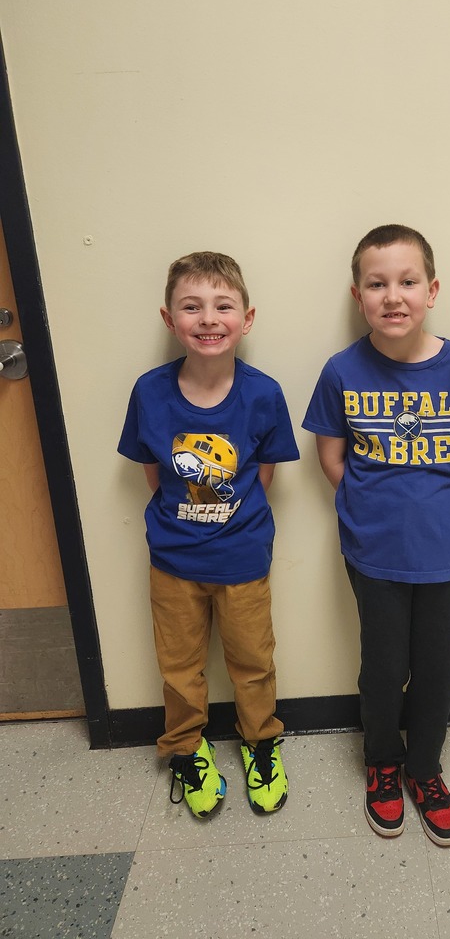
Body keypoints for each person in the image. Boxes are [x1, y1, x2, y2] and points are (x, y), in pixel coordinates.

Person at [303, 224, 450, 846]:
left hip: (446, 554)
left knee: (439, 669)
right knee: (384, 668)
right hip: (373, 553)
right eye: (377, 283)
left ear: (431, 289)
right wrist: (368, 508)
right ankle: (382, 761)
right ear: (357, 295)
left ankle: (425, 769)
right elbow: (331, 457)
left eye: (407, 281)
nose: (393, 296)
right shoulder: (341, 370)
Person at [118, 251, 299, 819]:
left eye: (223, 305)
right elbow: (153, 471)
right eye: (191, 306)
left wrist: (230, 519)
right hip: (172, 560)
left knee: (253, 661)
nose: (208, 318)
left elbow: (263, 475)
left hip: (243, 557)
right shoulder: (149, 392)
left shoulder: (264, 393)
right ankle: (187, 748)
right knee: (178, 665)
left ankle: (261, 743)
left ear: (247, 318)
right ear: (170, 320)